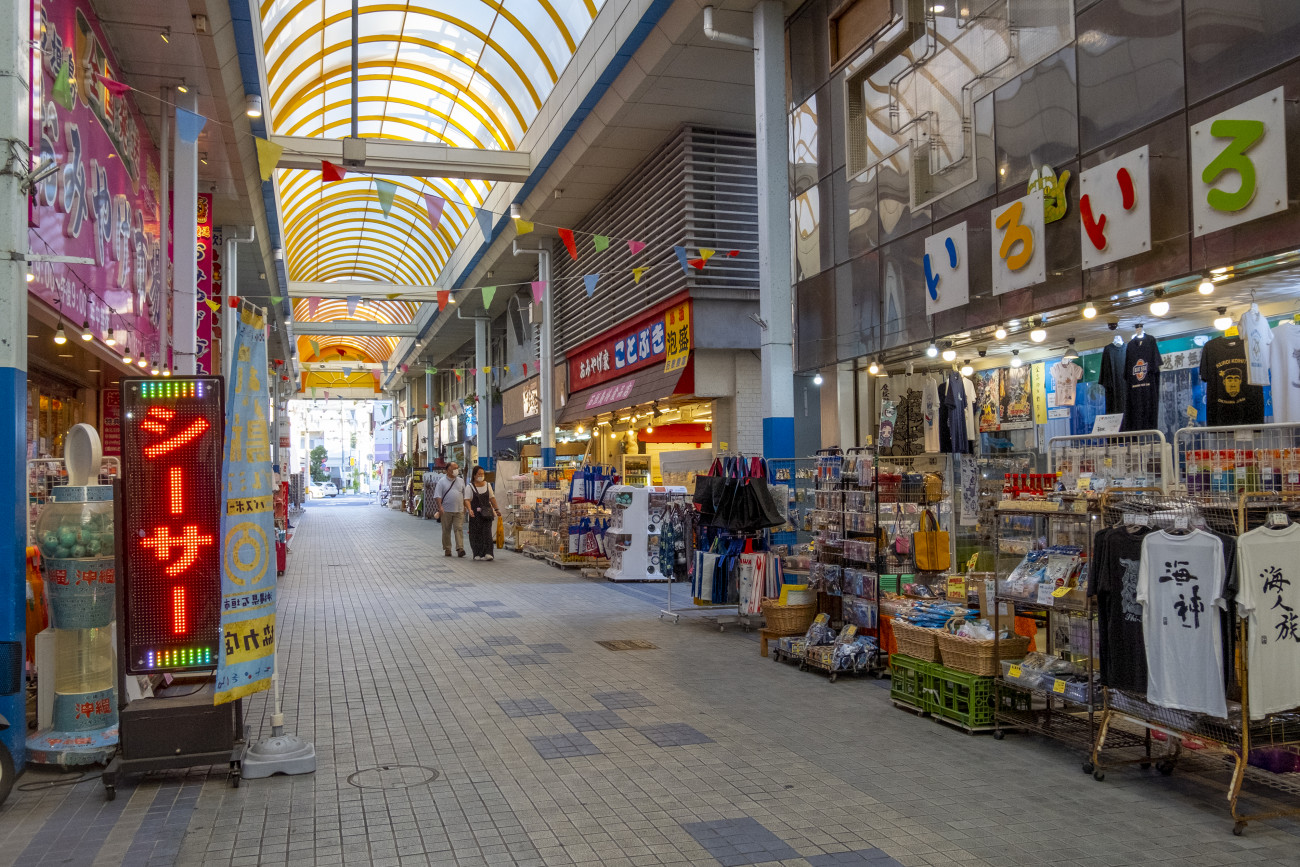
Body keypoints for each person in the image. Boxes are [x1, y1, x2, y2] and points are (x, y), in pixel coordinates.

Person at [463, 466, 501, 561]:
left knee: (487, 533)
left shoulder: (488, 485)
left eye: (482, 474)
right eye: (479, 474)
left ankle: (488, 553)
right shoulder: (470, 487)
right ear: (474, 475)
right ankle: (477, 553)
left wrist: (496, 509)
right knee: (476, 533)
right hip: (475, 514)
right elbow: (467, 500)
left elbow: (492, 498)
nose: (481, 476)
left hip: (487, 514)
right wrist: (469, 509)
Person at [429, 462, 467, 557]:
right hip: (446, 510)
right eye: (454, 468)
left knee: (458, 528)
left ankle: (460, 548)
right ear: (447, 470)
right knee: (446, 530)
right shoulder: (442, 482)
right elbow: (438, 496)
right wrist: (440, 507)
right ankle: (447, 548)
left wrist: (465, 506)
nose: (456, 470)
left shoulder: (461, 481)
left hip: (459, 510)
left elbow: (464, 494)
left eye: (457, 468)